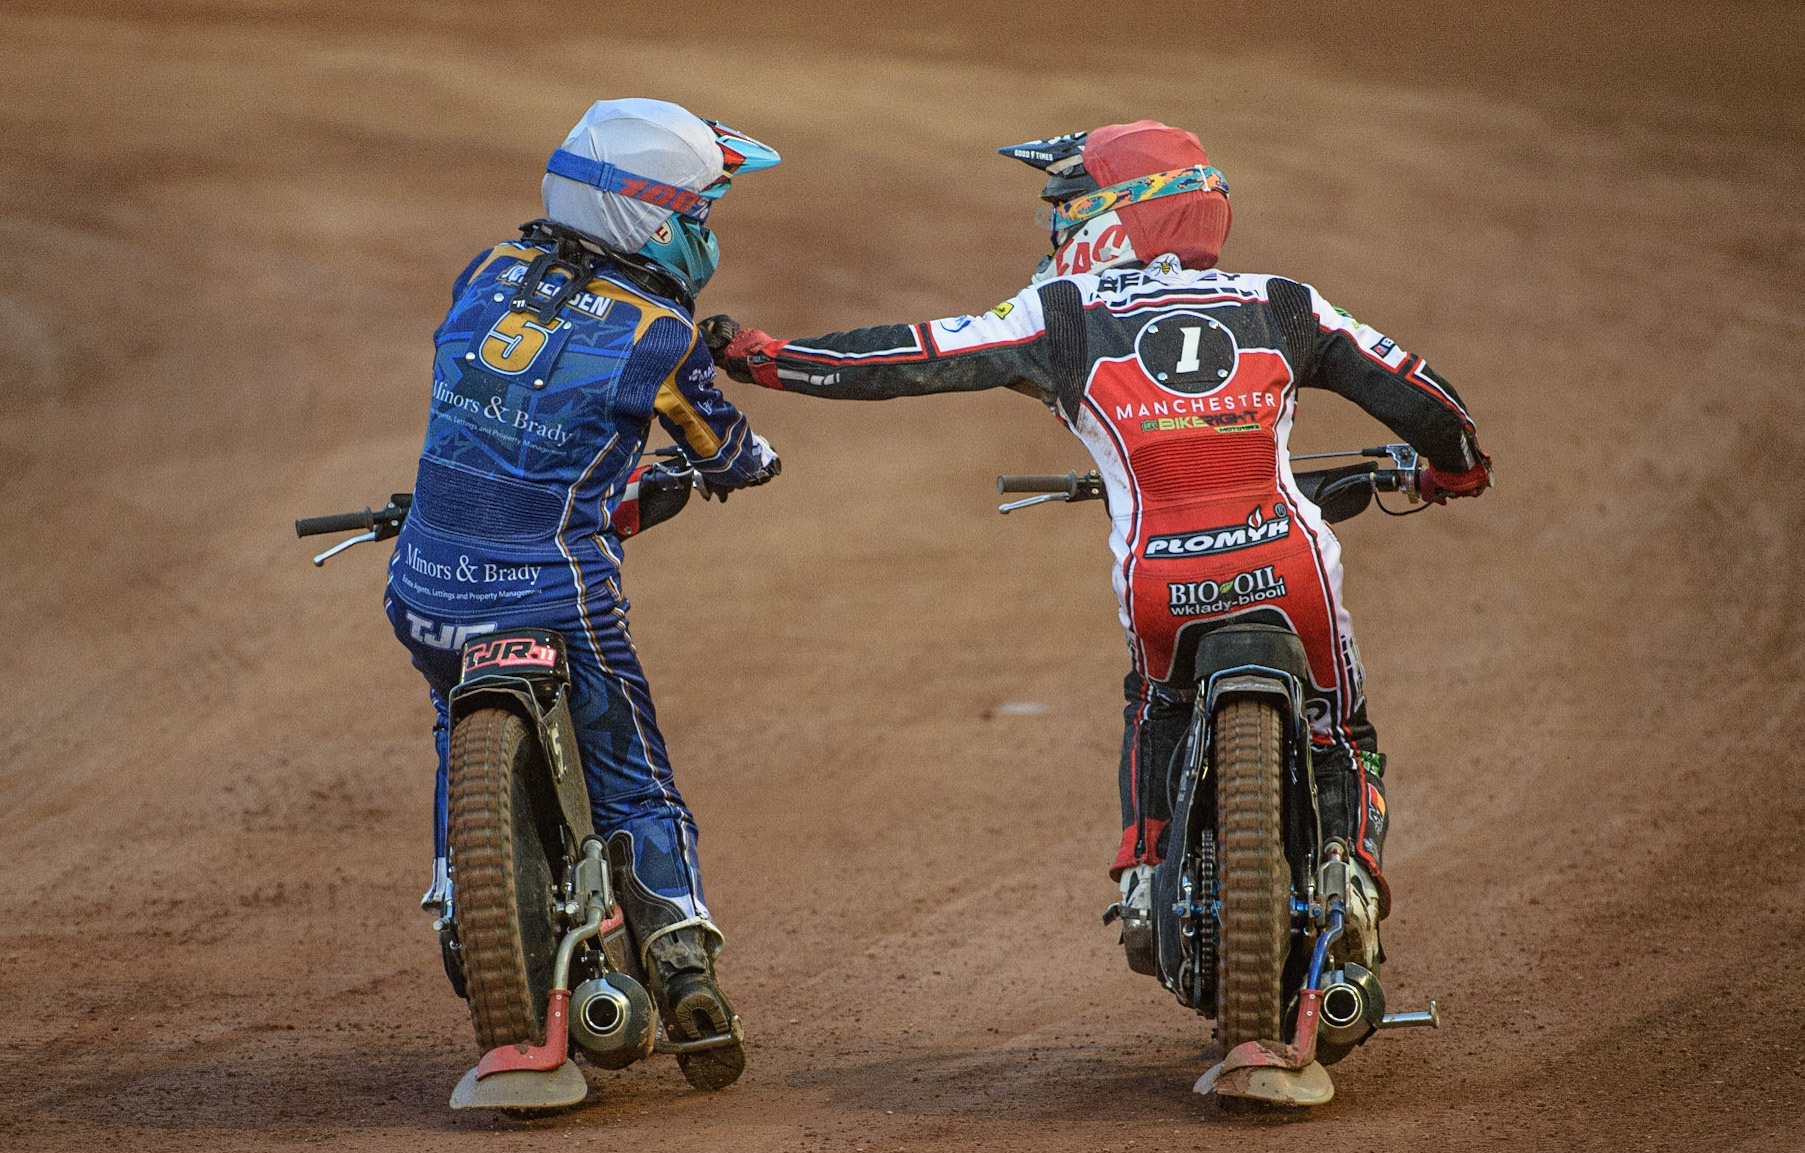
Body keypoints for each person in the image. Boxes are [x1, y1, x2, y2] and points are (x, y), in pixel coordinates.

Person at [707, 120, 1490, 977]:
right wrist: (1455, 470)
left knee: (1155, 704)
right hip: (1291, 566)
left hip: (1160, 578)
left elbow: (914, 355)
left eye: (1066, 209)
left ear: (1119, 218)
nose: (1055, 231)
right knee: (1340, 730)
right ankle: (1353, 879)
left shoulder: (1063, 315)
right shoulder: (1281, 301)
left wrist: (767, 359)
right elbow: (1418, 394)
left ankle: (1149, 870)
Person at [386, 98, 781, 1088]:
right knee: (631, 768)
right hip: (554, 594)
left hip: (424, 583)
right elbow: (722, 450)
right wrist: (749, 461)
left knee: (449, 720)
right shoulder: (658, 331)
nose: (707, 231)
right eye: (698, 211)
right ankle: (681, 948)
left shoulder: (484, 273)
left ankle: (455, 893)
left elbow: (479, 399)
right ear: (647, 220)